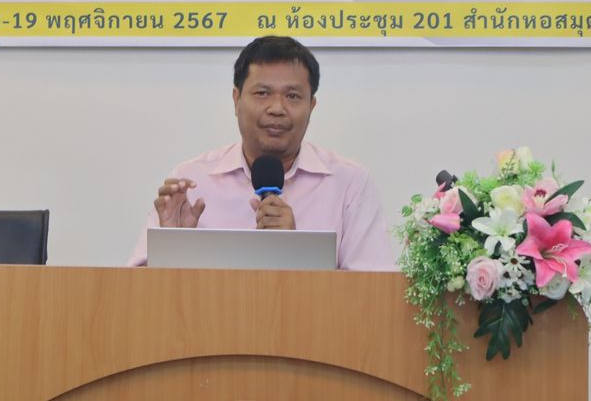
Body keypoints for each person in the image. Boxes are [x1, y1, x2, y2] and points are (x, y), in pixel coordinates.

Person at [128, 36, 395, 271]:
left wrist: (299, 255)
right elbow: (135, 292)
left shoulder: (349, 183)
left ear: (311, 106)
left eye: (292, 96)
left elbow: (374, 292)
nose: (277, 108)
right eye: (262, 93)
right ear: (236, 100)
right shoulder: (191, 182)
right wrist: (173, 248)